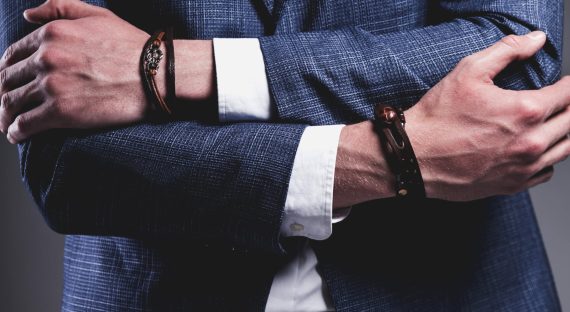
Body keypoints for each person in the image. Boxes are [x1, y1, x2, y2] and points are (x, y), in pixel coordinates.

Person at [0, 0, 567, 310]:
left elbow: (515, 57)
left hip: (456, 285)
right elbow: (63, 163)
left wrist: (179, 69)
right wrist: (385, 156)